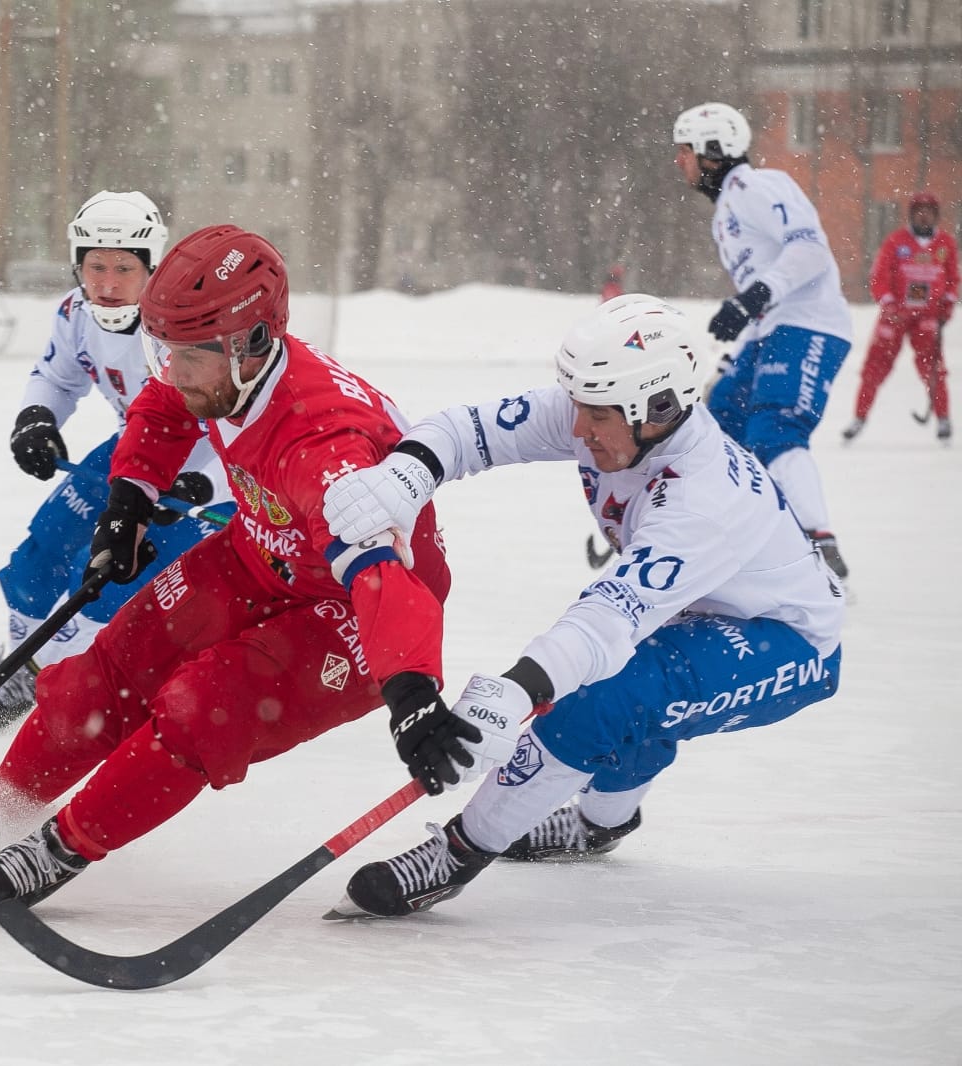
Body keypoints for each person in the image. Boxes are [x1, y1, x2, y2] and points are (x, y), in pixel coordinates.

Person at [0, 224, 463, 918]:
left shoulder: (325, 445)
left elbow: (382, 577)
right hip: (262, 552)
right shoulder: (218, 374)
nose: (173, 370)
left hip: (354, 613)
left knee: (201, 707)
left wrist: (412, 691)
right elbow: (164, 405)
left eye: (189, 355)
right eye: (162, 350)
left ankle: (61, 847)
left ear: (252, 345)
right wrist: (129, 502)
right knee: (114, 664)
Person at [316, 294, 844, 919]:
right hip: (699, 604)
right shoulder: (609, 408)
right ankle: (601, 825)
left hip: (786, 640)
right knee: (630, 696)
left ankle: (459, 854)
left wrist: (517, 691)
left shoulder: (707, 501)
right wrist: (406, 476)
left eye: (594, 416)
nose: (575, 430)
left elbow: (606, 622)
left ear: (660, 409)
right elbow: (469, 430)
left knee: (599, 701)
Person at [0, 191, 230, 734]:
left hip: (203, 473)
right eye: (95, 266)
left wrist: (203, 482)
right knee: (43, 549)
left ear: (152, 268)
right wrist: (37, 419)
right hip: (132, 450)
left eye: (124, 268)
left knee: (111, 578)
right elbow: (59, 377)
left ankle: (62, 674)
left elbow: (242, 420)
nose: (107, 283)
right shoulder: (75, 312)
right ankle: (19, 669)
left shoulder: (190, 328)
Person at [672, 102, 854, 581]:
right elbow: (764, 288)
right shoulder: (723, 214)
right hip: (770, 330)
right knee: (717, 430)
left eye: (685, 151)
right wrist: (733, 355)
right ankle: (715, 541)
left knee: (774, 428)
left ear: (713, 151)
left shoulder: (757, 186)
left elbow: (811, 250)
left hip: (810, 324)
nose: (680, 162)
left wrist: (751, 298)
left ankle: (820, 548)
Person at [844, 190, 958, 443]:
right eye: (919, 211)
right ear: (911, 214)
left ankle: (943, 419)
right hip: (895, 316)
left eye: (929, 211)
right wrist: (888, 302)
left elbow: (952, 278)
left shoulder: (945, 244)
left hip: (928, 316)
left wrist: (948, 303)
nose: (924, 216)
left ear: (936, 215)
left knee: (933, 368)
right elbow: (879, 277)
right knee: (874, 368)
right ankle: (859, 418)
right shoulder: (896, 242)